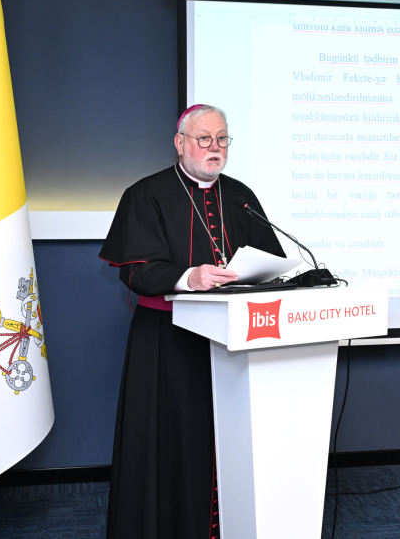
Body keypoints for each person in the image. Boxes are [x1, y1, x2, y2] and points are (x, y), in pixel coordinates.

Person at [100, 104, 286, 539]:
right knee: (173, 449)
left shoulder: (241, 196)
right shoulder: (146, 195)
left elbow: (270, 261)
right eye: (204, 139)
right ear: (180, 143)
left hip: (235, 343)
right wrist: (190, 277)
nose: (214, 148)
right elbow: (135, 271)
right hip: (168, 345)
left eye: (222, 139)